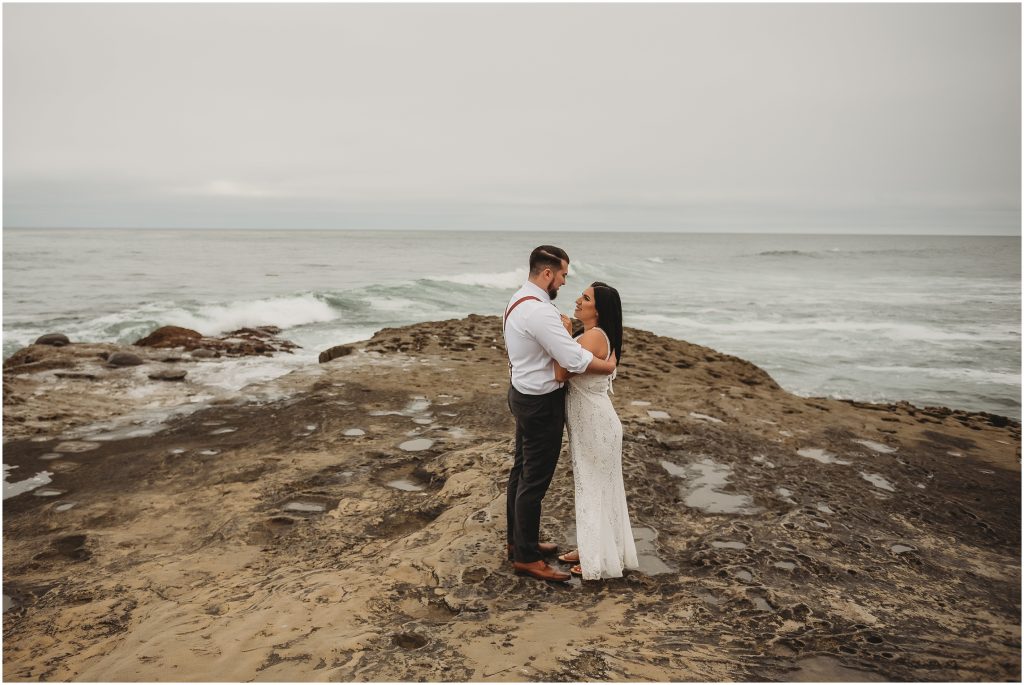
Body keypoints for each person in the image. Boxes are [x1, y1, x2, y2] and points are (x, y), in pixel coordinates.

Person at [504, 246, 618, 582]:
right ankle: (526, 558)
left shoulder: (519, 299)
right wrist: (608, 365)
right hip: (540, 403)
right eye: (563, 275)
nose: (565, 282)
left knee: (521, 472)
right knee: (533, 481)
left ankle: (518, 542)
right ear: (547, 273)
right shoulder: (539, 311)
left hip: (522, 393)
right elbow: (572, 360)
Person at [554, 282, 639, 580]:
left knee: (592, 488)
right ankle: (596, 548)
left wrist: (564, 337)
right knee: (601, 489)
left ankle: (597, 557)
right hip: (594, 422)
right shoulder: (595, 335)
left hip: (595, 424)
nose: (578, 300)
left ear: (598, 310)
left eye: (586, 298)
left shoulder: (592, 337)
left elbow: (561, 373)